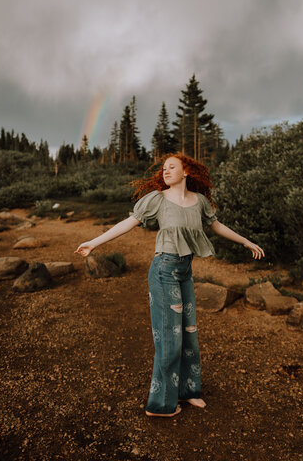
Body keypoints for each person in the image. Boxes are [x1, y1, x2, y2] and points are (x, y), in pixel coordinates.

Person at [75, 153, 264, 418]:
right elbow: (128, 222)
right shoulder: (158, 199)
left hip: (185, 271)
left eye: (172, 167)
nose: (165, 171)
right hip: (164, 270)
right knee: (169, 338)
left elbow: (216, 225)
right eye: (163, 168)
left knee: (189, 333)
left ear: (186, 172)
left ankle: (188, 391)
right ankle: (161, 404)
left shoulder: (199, 202)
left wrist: (245, 241)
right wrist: (94, 242)